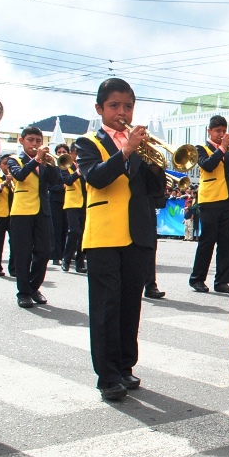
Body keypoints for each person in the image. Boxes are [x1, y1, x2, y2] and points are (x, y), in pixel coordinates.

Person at [76, 78, 166, 401]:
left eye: (128, 106)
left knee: (131, 304)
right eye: (114, 106)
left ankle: (126, 366)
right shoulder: (87, 143)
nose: (122, 112)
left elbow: (157, 194)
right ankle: (108, 375)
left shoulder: (140, 146)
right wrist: (127, 151)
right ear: (100, 109)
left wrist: (156, 167)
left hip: (137, 234)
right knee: (106, 306)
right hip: (103, 235)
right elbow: (96, 177)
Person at [8, 126, 62, 308]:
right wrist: (37, 160)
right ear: (21, 141)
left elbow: (56, 182)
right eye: (30, 140)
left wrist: (52, 164)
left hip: (43, 211)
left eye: (38, 141)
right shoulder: (14, 160)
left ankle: (33, 287)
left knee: (45, 250)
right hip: (21, 212)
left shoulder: (45, 162)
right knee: (23, 253)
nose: (35, 144)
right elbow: (20, 176)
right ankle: (23, 292)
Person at [189, 115, 229, 294]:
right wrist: (223, 148)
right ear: (209, 131)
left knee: (226, 242)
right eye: (218, 131)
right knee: (207, 241)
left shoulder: (227, 151)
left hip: (228, 200)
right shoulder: (201, 148)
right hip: (209, 200)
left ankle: (222, 280)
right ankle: (197, 278)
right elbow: (208, 165)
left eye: (224, 131)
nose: (221, 134)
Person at [60, 142, 87, 274]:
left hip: (85, 203)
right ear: (71, 154)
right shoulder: (65, 165)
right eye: (77, 153)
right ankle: (66, 259)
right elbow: (68, 180)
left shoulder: (86, 165)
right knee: (74, 231)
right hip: (72, 203)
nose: (79, 156)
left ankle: (80, 262)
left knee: (83, 234)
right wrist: (78, 172)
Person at [49, 143, 69, 266]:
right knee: (56, 228)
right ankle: (55, 255)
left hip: (68, 201)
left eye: (63, 152)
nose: (61, 154)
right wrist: (62, 187)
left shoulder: (69, 167)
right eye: (59, 152)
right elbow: (49, 186)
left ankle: (63, 254)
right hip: (55, 200)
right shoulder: (53, 168)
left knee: (65, 229)